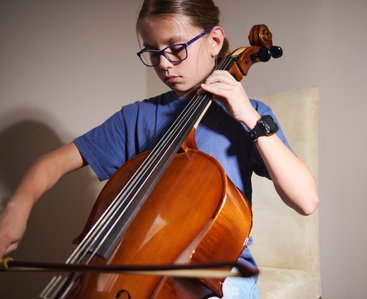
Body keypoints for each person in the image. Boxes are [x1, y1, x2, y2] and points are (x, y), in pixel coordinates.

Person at [0, 0, 319, 297]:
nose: (164, 64)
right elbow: (50, 164)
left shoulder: (251, 115)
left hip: (221, 274)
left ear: (214, 41)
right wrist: (17, 207)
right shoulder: (136, 118)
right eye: (153, 52)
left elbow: (305, 200)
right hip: (131, 267)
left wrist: (248, 117)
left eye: (176, 48)